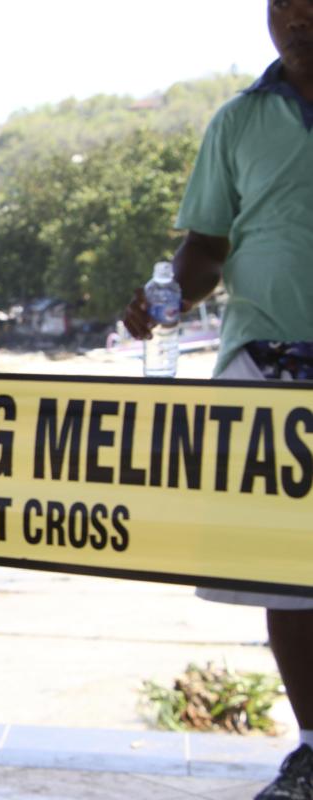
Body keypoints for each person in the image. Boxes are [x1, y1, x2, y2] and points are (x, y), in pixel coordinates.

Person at [122, 3, 313, 798]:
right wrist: (161, 299)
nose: (294, 14)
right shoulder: (238, 119)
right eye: (279, 3)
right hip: (259, 371)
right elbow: (206, 247)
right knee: (285, 579)